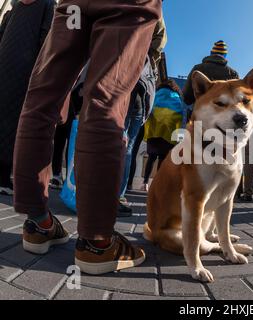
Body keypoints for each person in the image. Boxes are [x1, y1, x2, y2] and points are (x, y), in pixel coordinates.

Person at [13, 0, 162, 275]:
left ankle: (37, 223)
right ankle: (98, 243)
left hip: (74, 4)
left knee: (41, 100)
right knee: (106, 100)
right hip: (128, 4)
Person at [0, 0, 55, 196]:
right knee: (15, 123)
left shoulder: (16, 5)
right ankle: (4, 178)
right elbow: (46, 41)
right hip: (25, 70)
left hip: (4, 65)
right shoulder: (47, 5)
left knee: (4, 118)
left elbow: (2, 31)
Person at [118, 15, 167, 216]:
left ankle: (90, 190)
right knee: (127, 143)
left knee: (106, 134)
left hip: (113, 74)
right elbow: (160, 42)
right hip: (138, 83)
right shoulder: (153, 9)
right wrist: (147, 59)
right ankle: (117, 195)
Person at [141, 79, 184, 191]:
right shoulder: (176, 98)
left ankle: (145, 183)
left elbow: (150, 110)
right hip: (168, 134)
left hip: (154, 132)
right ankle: (157, 184)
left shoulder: (157, 94)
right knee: (162, 159)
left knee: (151, 157)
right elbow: (179, 117)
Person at [183, 40, 239, 107]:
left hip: (201, 113)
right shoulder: (233, 74)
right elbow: (236, 100)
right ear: (225, 55)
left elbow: (187, 98)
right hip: (225, 115)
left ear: (211, 53)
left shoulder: (198, 68)